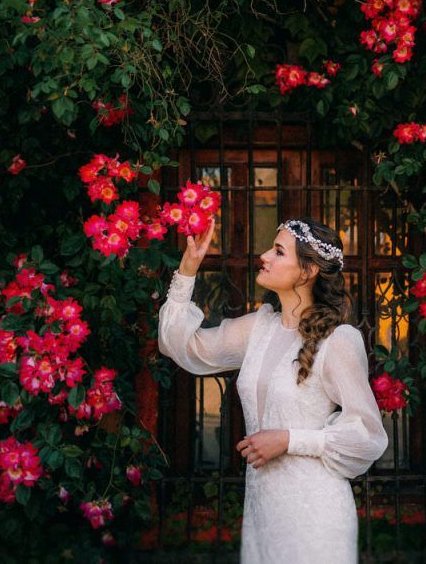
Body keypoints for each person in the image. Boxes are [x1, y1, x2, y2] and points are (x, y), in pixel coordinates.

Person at [157, 215, 388, 563]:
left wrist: (289, 440)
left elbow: (367, 435)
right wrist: (187, 271)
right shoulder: (258, 328)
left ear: (307, 271)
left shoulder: (339, 340)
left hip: (316, 515)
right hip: (263, 512)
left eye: (278, 251)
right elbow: (181, 346)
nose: (264, 255)